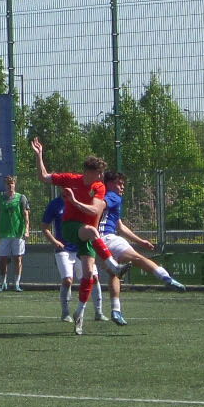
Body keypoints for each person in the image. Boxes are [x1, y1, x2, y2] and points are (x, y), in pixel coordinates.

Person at [30, 138, 124, 336]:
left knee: (89, 274)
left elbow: (95, 210)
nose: (101, 176)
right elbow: (43, 176)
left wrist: (74, 202)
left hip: (87, 232)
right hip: (70, 227)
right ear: (88, 172)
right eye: (98, 173)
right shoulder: (71, 179)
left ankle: (79, 313)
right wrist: (39, 155)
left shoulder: (99, 187)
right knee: (92, 232)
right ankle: (113, 265)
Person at [94, 172, 186, 325]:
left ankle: (116, 310)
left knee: (114, 274)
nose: (122, 187)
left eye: (123, 184)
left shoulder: (104, 198)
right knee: (139, 259)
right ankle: (166, 278)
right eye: (119, 183)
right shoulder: (112, 196)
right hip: (107, 239)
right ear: (108, 184)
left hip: (95, 244)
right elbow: (101, 206)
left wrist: (140, 241)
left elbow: (120, 226)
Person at [41, 187, 103, 322]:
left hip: (81, 247)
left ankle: (98, 312)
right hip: (63, 249)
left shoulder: (79, 202)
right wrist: (54, 241)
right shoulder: (54, 204)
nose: (66, 189)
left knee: (93, 277)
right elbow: (44, 227)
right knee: (67, 280)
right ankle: (65, 313)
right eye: (63, 186)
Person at [0, 176, 30, 292]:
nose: (10, 186)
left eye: (12, 183)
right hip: (4, 233)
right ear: (5, 185)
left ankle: (17, 283)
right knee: (2, 259)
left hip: (17, 233)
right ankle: (3, 283)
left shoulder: (21, 198)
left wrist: (27, 229)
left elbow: (26, 215)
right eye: (8, 184)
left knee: (18, 258)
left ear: (15, 184)